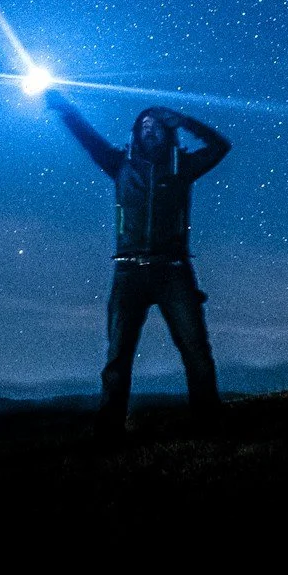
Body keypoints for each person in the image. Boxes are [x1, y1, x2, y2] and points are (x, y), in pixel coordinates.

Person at [47, 95, 230, 436]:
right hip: (128, 272)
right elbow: (89, 139)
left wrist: (184, 120)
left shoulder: (182, 167)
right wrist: (66, 109)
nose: (150, 130)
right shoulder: (120, 165)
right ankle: (109, 431)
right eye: (144, 125)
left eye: (157, 125)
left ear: (167, 131)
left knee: (196, 350)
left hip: (173, 270)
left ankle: (209, 424)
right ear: (135, 133)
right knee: (118, 356)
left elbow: (221, 146)